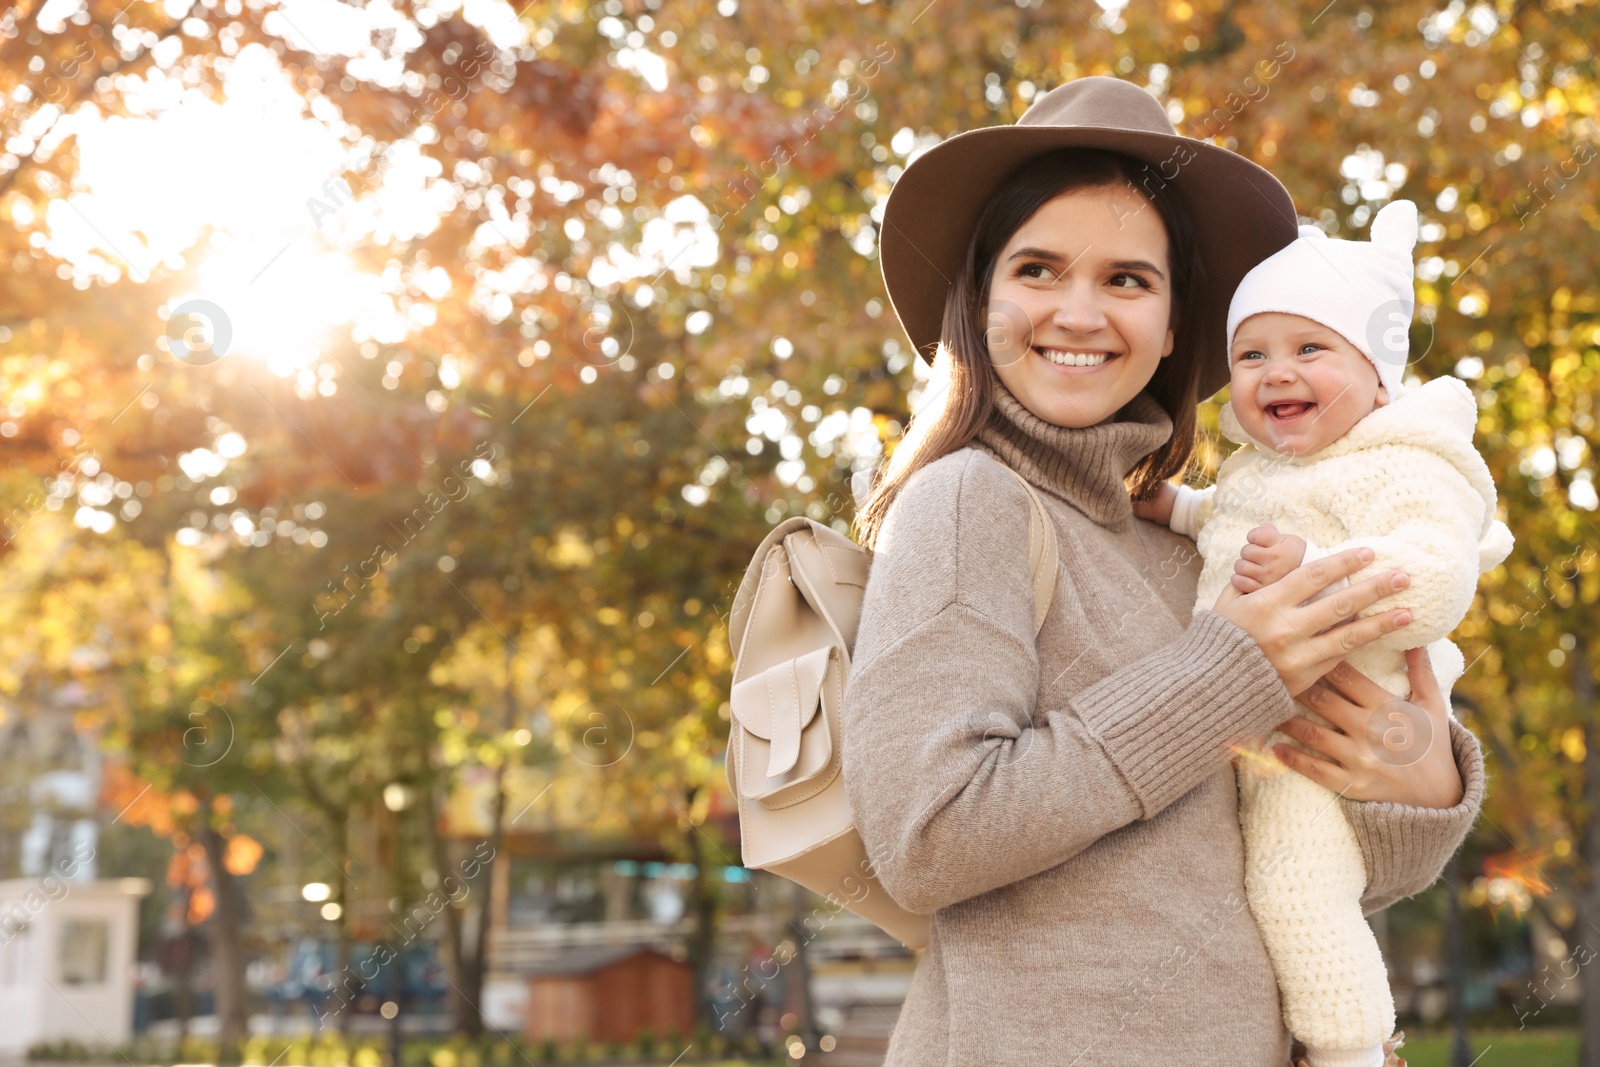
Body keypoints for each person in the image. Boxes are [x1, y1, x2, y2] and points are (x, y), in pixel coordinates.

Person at [842, 75, 1484, 1067]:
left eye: (1128, 279)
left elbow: (1351, 864)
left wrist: (1418, 772)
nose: (1080, 311)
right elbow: (931, 836)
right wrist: (1227, 670)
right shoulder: (969, 501)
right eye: (1039, 269)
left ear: (1179, 321)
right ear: (979, 297)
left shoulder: (1191, 546)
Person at [1133, 198, 1513, 1067]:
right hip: (1260, 730)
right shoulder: (1260, 470)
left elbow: (1435, 579)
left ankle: (1351, 1047)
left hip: (1330, 731)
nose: (1275, 372)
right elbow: (1232, 525)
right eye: (1251, 354)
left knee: (1295, 884)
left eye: (1310, 349)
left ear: (1378, 372)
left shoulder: (1405, 462)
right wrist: (1176, 506)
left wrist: (1315, 565)